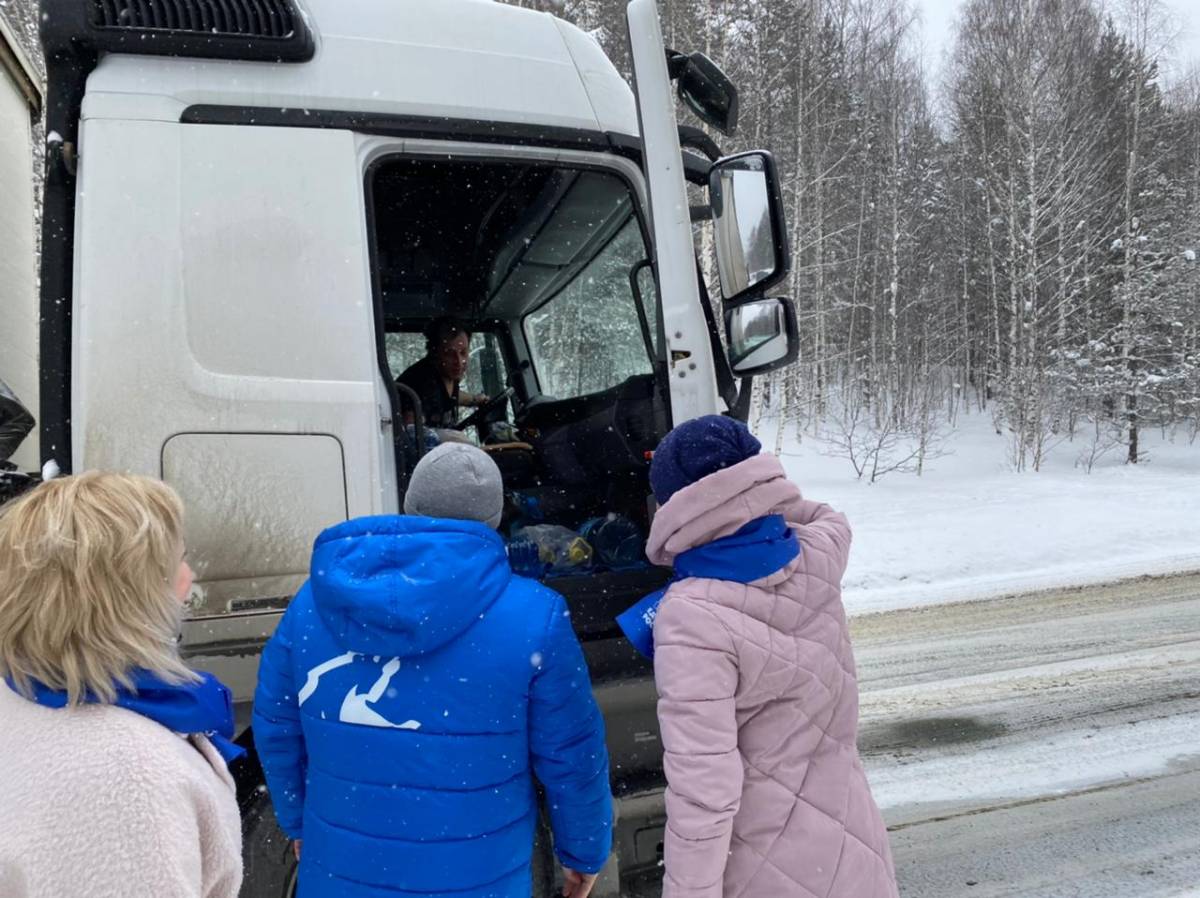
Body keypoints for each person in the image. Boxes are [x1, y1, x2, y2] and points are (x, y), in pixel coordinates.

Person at [253, 442, 613, 898]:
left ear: (411, 504)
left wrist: (296, 820)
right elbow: (573, 754)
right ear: (495, 520)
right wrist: (583, 853)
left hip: (341, 875)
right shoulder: (534, 616)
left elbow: (276, 728)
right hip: (479, 878)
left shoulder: (311, 606)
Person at [644, 415, 899, 898]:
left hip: (763, 869)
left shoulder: (690, 615)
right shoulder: (815, 557)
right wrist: (762, 497)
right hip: (853, 850)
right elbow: (826, 516)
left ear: (674, 503)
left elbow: (705, 792)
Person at [0, 472, 244, 898]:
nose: (188, 579)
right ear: (125, 597)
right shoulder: (128, 778)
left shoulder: (20, 695)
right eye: (176, 563)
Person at [396, 317, 492, 429]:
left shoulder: (447, 374)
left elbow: (451, 396)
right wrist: (450, 438)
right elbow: (413, 433)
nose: (459, 362)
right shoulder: (420, 384)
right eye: (450, 354)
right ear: (435, 353)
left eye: (463, 352)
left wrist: (474, 400)